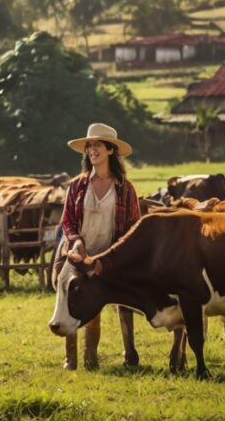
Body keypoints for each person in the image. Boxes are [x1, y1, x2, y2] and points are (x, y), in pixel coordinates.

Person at [58, 122, 141, 370]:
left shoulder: (124, 188)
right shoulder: (77, 186)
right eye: (89, 146)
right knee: (71, 298)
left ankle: (110, 356)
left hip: (110, 257)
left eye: (97, 145)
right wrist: (77, 241)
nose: (92, 150)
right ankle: (71, 358)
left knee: (110, 306)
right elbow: (68, 221)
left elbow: (133, 226)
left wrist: (112, 257)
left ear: (110, 151)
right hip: (78, 254)